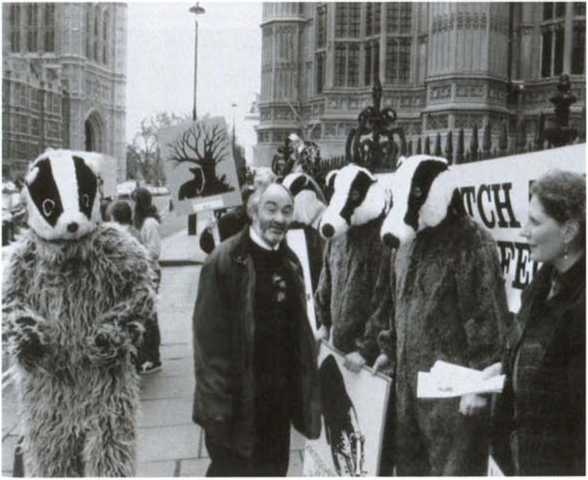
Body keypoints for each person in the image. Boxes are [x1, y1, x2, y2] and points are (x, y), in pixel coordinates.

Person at [192, 181, 321, 476]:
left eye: (287, 211)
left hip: (278, 402)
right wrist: (217, 412)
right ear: (253, 211)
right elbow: (207, 346)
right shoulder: (224, 261)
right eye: (271, 208)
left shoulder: (290, 262)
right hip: (236, 404)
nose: (279, 218)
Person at [485, 170, 585, 476]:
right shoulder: (542, 283)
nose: (524, 232)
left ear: (568, 231)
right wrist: (497, 373)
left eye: (535, 222)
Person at [133, 187, 163, 374]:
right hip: (143, 271)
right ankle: (148, 354)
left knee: (150, 316)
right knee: (145, 315)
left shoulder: (150, 223)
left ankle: (153, 357)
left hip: (150, 272)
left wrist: (136, 253)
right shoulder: (142, 222)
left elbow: (154, 251)